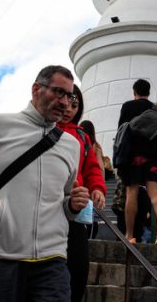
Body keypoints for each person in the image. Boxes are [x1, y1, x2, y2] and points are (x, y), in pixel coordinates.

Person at [0, 65, 89, 302]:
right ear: (36, 89)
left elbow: (62, 202)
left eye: (70, 96)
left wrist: (72, 205)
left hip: (53, 259)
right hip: (1, 253)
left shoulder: (71, 145)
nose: (65, 102)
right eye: (58, 92)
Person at [59, 86, 106, 302]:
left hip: (76, 207)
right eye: (66, 102)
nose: (69, 109)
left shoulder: (82, 136)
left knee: (79, 266)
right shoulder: (43, 129)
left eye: (74, 105)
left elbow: (92, 168)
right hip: (48, 206)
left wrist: (97, 188)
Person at [116, 78, 157, 244]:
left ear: (135, 92)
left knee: (132, 191)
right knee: (153, 191)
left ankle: (130, 235)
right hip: (153, 155)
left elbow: (121, 130)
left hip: (134, 155)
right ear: (148, 92)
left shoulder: (128, 106)